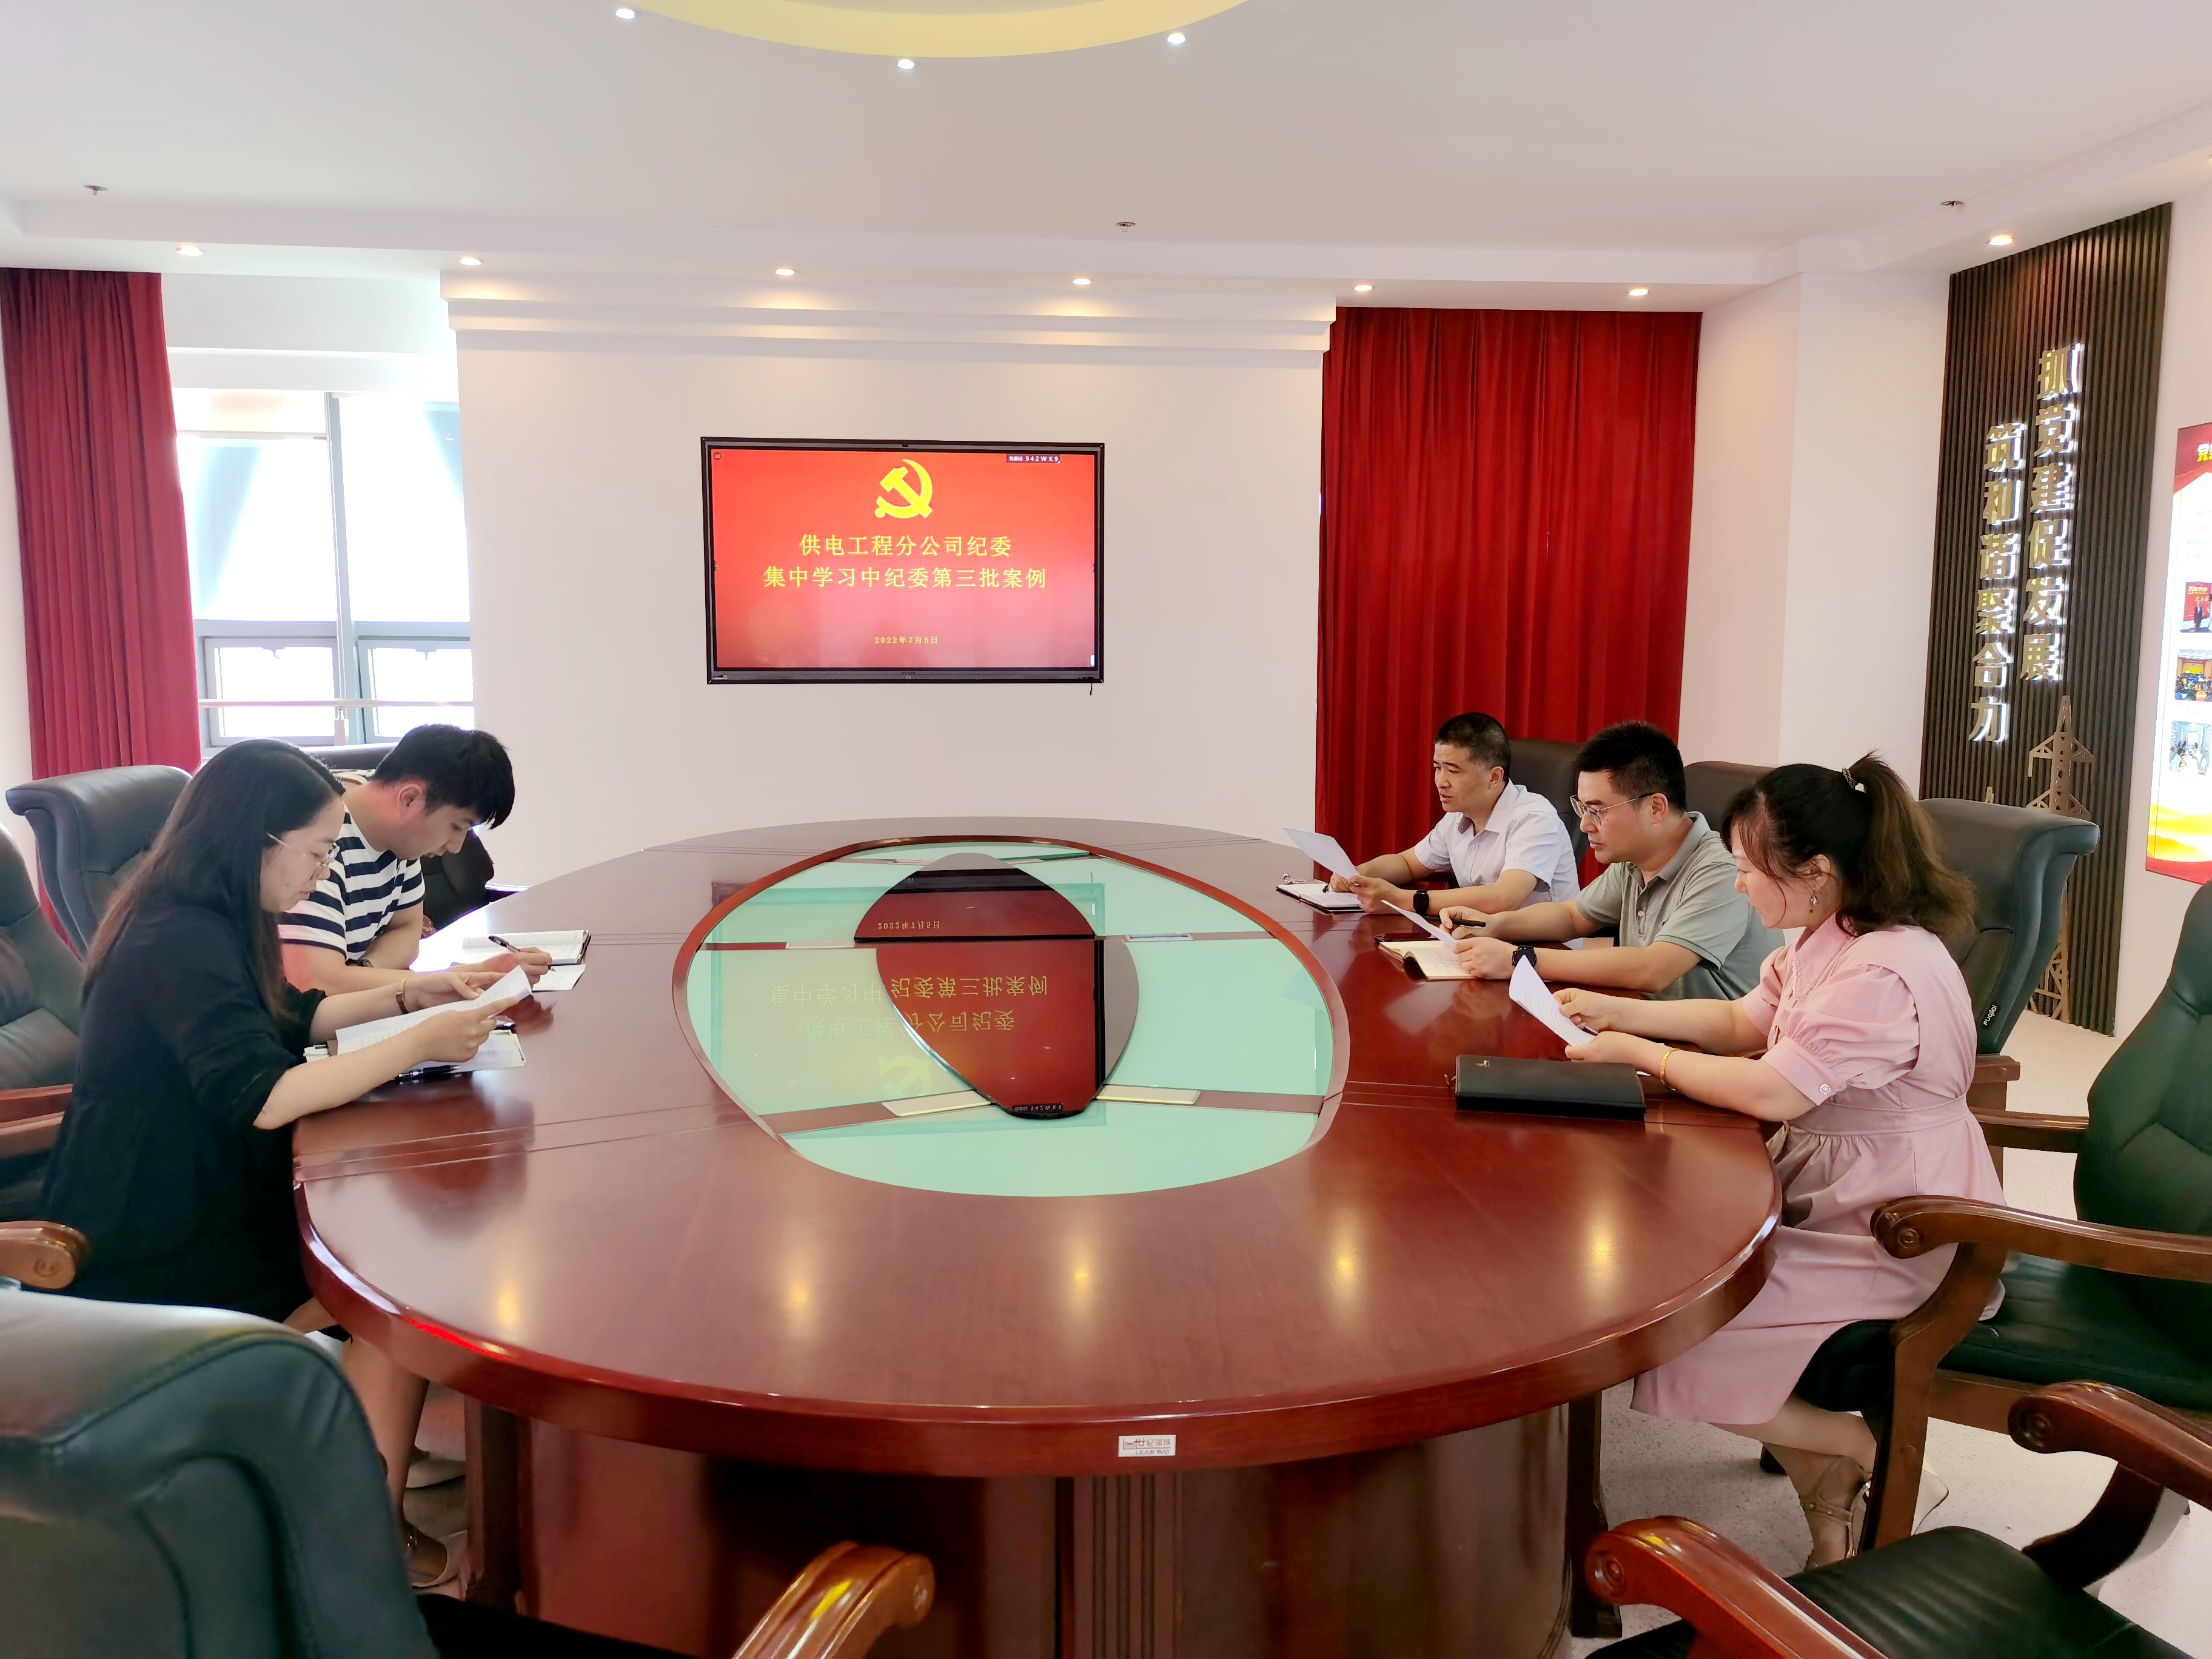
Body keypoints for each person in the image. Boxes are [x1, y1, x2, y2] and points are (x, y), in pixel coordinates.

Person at [39, 740, 517, 1586]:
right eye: (318, 852)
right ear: (256, 840)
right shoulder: (176, 937)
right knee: (392, 1282)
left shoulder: (213, 910)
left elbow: (292, 1018)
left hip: (205, 1178)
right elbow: (263, 1095)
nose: (324, 872)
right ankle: (365, 1535)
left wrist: (415, 994)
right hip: (154, 1227)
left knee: (399, 1233)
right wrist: (417, 1042)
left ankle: (377, 1477)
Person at [1550, 754, 2002, 1566]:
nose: (1739, 886)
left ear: (1817, 872)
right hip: (1842, 1187)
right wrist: (1615, 1014)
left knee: (1681, 1325)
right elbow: (1743, 1024)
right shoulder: (1832, 938)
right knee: (1678, 1279)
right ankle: (1827, 1488)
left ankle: (1866, 1454)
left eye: (1749, 870)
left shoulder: (1882, 972)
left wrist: (1644, 1055)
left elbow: (1774, 1090)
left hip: (1901, 1221)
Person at [1444, 721, 1777, 997]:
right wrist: (1494, 924)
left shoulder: (1722, 869)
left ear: (1656, 808)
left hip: (1708, 1050)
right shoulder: (1635, 859)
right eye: (1582, 808)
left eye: (1598, 811)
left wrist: (1520, 958)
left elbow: (1654, 969)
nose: (1585, 825)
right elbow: (1572, 916)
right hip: (1644, 1020)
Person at [280, 724, 548, 992]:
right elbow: (315, 982)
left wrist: (361, 973)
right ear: (409, 799)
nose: (456, 847)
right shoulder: (319, 833)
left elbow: (408, 932)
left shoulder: (398, 833)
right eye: (457, 827)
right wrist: (473, 975)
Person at [1328, 712, 1579, 920]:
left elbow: (1504, 898)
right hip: (1482, 941)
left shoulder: (1534, 818)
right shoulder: (1458, 817)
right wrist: (1358, 875)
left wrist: (1402, 899)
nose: (1441, 782)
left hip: (1545, 951)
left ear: (1494, 777)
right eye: (1438, 768)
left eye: (1454, 771)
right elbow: (1408, 863)